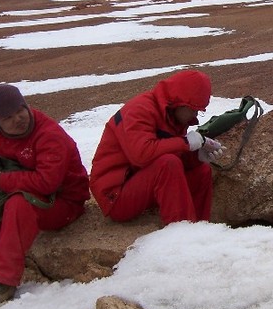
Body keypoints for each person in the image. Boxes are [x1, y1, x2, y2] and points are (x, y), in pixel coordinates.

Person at [0, 84, 90, 308]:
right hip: (29, 187)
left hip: (64, 202)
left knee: (19, 203)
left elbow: (47, 183)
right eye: (8, 117)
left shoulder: (49, 136)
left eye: (20, 110)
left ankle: (3, 279)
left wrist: (0, 179)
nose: (18, 119)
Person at [90, 69, 224, 224]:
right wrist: (185, 143)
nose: (195, 116)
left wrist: (195, 157)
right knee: (167, 164)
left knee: (202, 171)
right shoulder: (140, 109)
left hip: (141, 183)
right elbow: (141, 155)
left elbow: (166, 153)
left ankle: (201, 229)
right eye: (194, 110)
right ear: (181, 103)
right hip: (115, 196)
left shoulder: (173, 116)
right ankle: (183, 234)